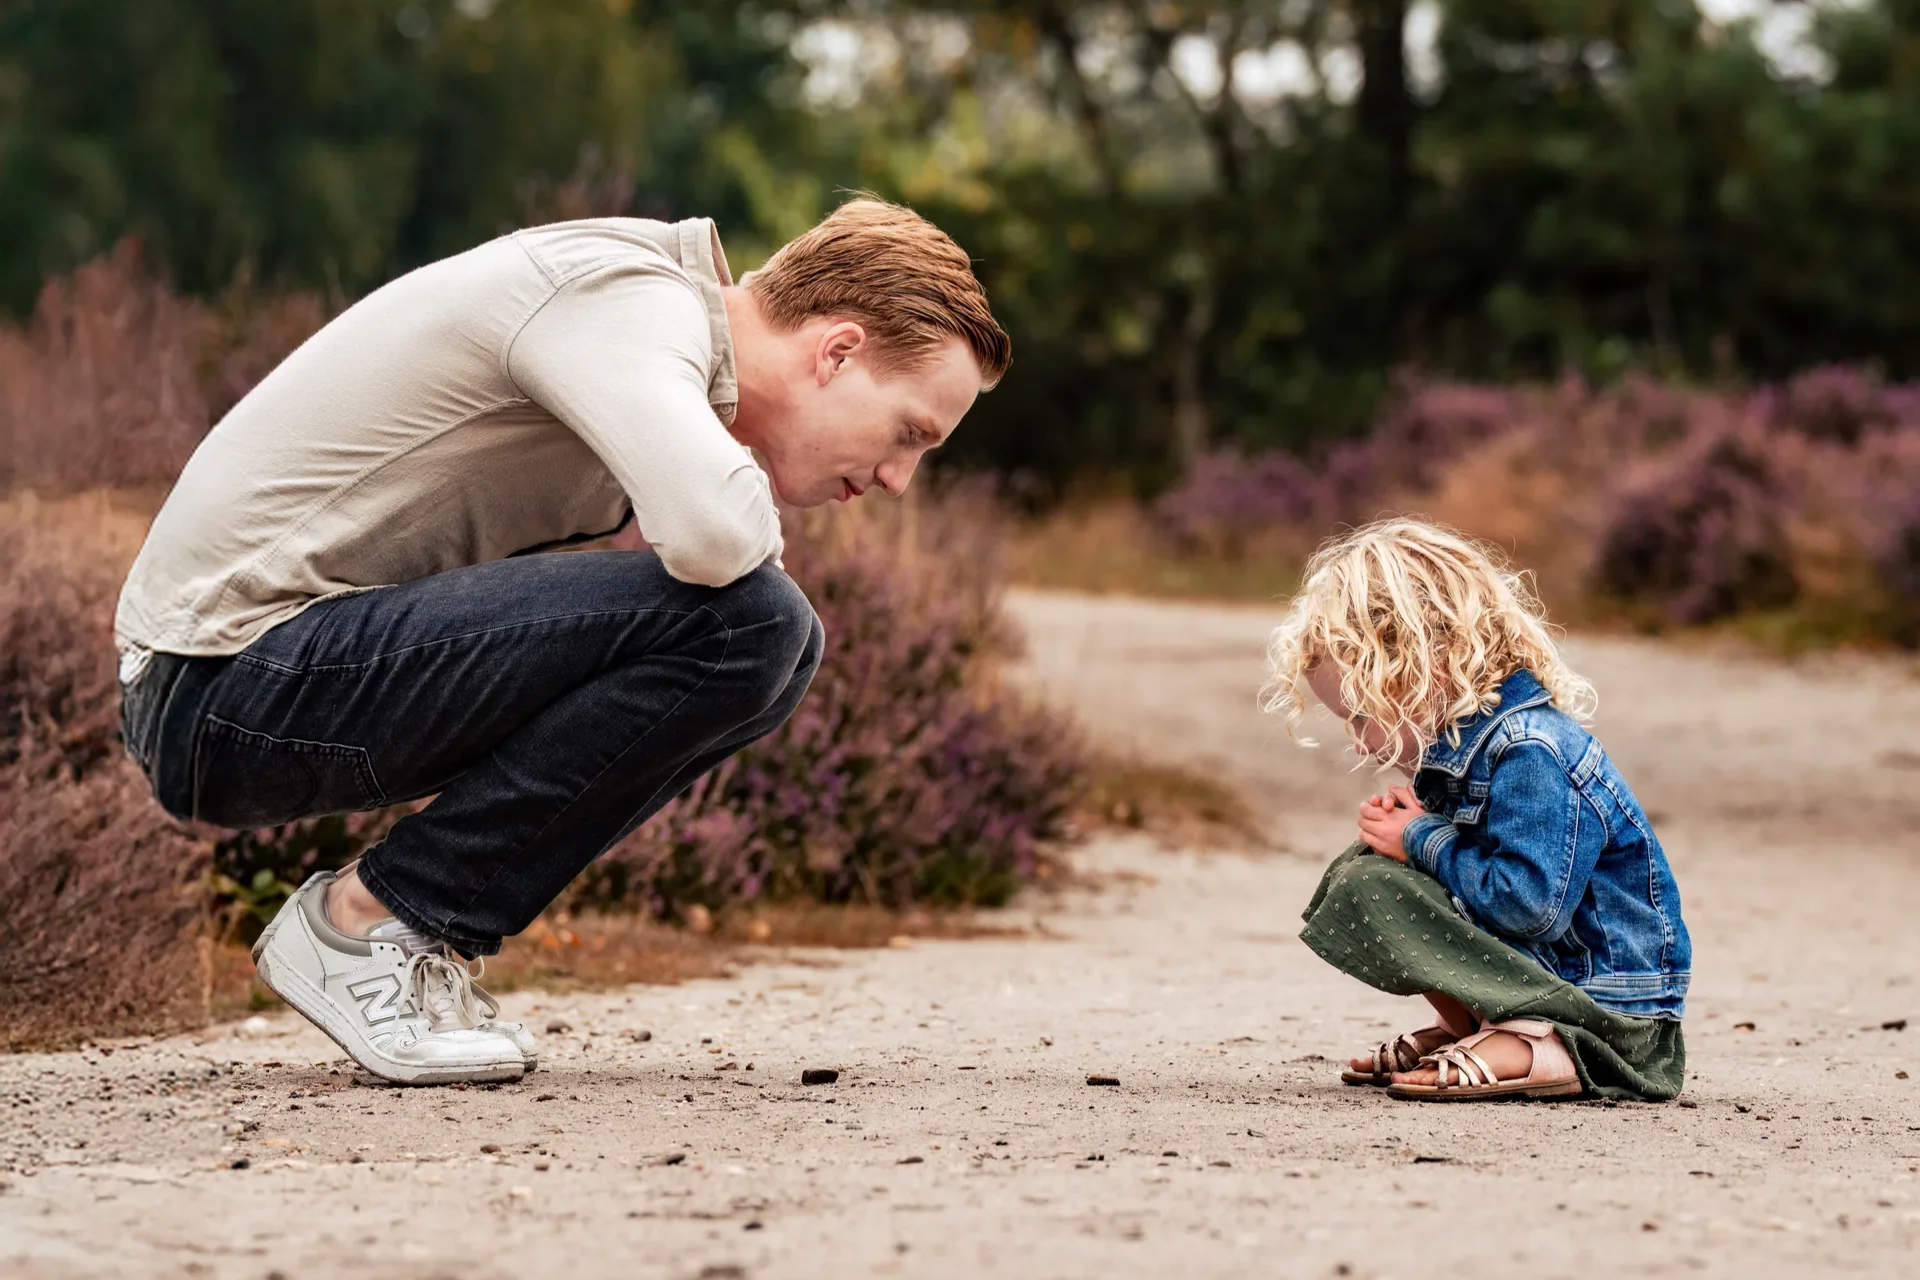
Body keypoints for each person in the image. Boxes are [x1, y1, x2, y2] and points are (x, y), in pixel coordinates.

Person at [115, 199, 1010, 1084]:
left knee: (779, 643)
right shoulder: (622, 299)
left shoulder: (651, 322)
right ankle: (366, 926)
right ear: (838, 350)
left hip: (250, 682)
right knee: (754, 625)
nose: (898, 479)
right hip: (219, 684)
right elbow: (711, 533)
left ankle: (405, 924)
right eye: (908, 433)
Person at [1264, 519, 1690, 1101]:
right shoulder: (1469, 750)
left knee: (1382, 876)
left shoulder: (1530, 750)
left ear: (1425, 667)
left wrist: (1423, 838)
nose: (1362, 742)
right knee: (1365, 872)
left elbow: (1529, 908)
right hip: (1554, 974)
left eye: (1362, 716)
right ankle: (1480, 1023)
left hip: (1611, 1009)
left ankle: (1539, 1041)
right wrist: (1426, 823)